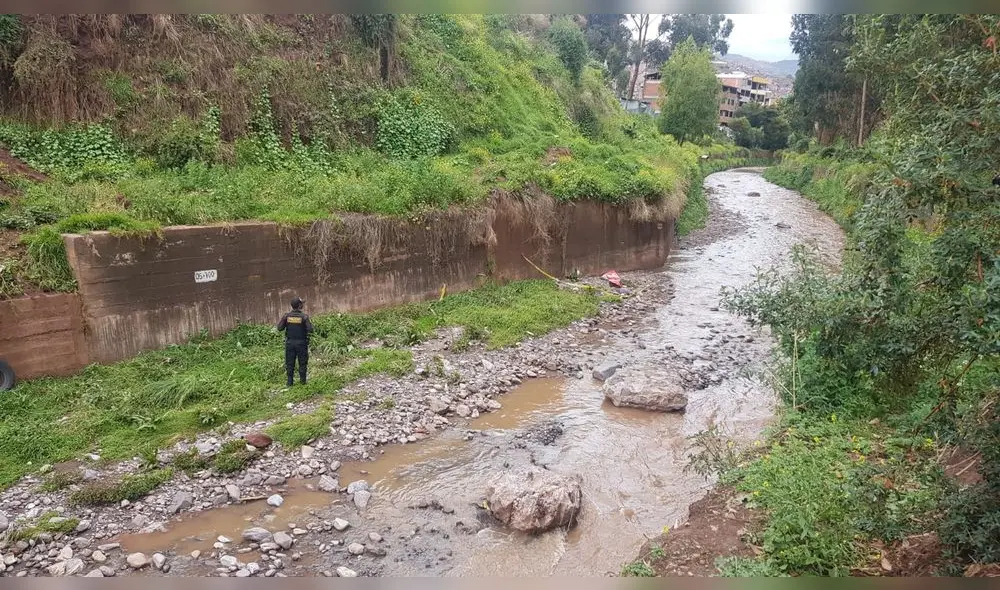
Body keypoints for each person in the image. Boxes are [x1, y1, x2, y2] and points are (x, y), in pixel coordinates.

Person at [277, 296, 313, 386]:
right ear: (299, 305)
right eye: (302, 304)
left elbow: (279, 328)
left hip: (290, 343)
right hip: (301, 343)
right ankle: (303, 382)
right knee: (302, 363)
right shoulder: (304, 317)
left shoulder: (286, 316)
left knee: (290, 363)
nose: (303, 305)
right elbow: (310, 330)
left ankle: (290, 383)